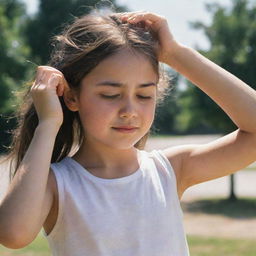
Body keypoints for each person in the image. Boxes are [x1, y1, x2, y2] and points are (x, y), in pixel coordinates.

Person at [0, 10, 256, 256]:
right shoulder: (58, 184)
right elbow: (14, 234)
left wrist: (176, 54)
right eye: (110, 95)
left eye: (144, 95)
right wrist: (48, 123)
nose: (129, 110)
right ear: (71, 97)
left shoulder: (170, 170)